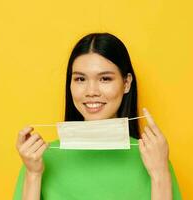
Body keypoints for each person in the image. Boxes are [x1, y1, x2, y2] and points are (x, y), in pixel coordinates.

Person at [13, 33, 182, 200]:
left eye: (105, 79)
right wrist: (33, 175)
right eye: (80, 79)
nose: (91, 92)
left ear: (126, 83)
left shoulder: (154, 157)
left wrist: (160, 174)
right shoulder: (39, 159)